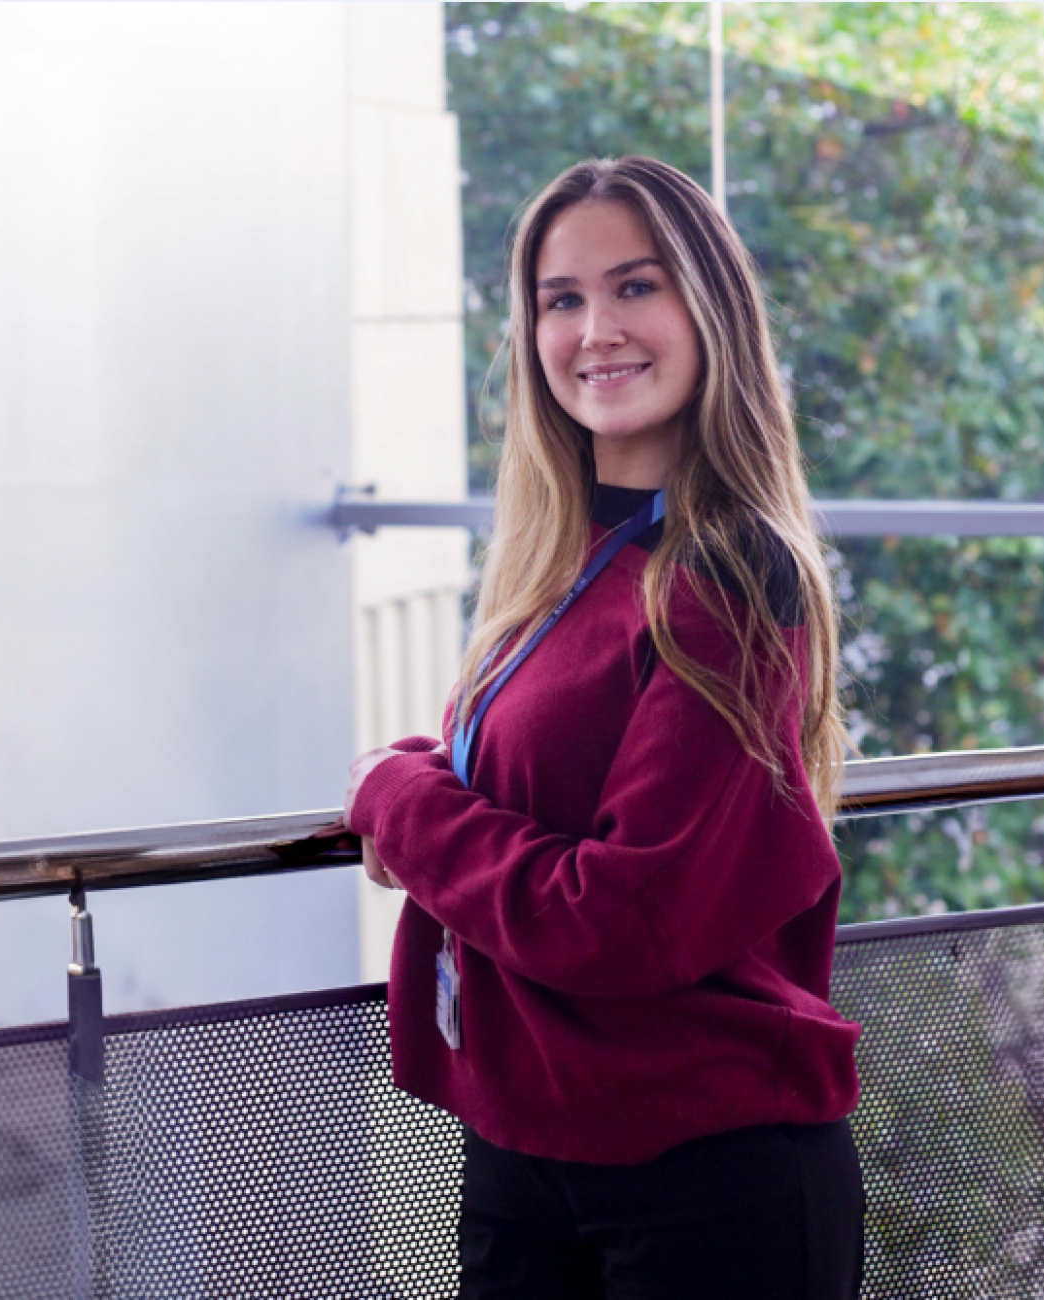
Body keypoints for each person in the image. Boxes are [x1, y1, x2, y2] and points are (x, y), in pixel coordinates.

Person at [340, 155, 865, 1300]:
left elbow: (618, 919)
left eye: (635, 287)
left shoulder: (730, 574)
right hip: (526, 1148)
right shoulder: (558, 557)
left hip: (707, 1179)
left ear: (707, 307)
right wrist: (418, 772)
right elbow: (522, 786)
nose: (595, 330)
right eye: (561, 299)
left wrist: (397, 797)